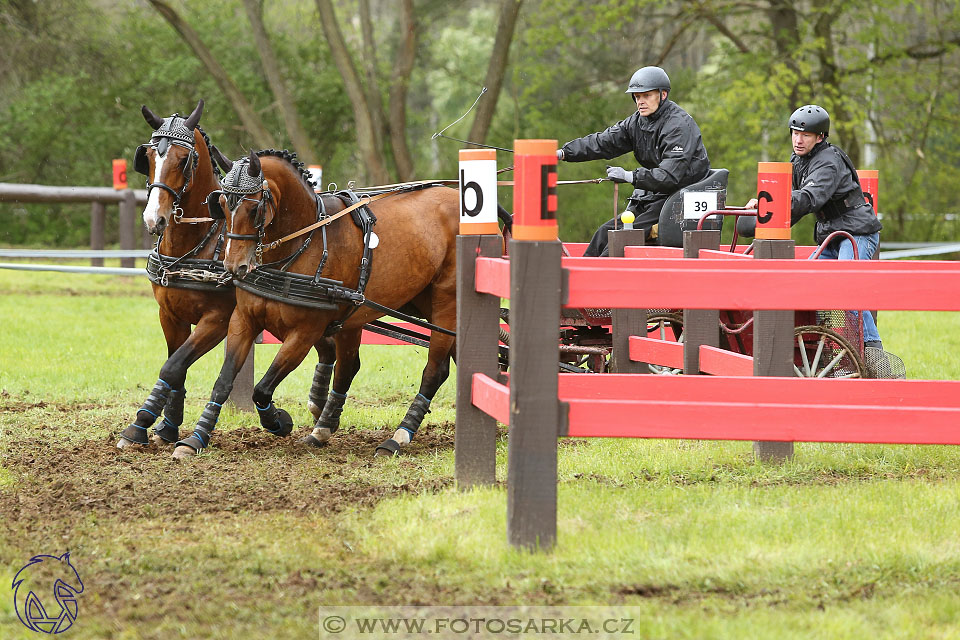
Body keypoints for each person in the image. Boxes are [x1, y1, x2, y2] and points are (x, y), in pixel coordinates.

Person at [742, 104, 884, 348]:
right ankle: (822, 342)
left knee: (845, 286)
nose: (798, 140)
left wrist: (771, 201)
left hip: (857, 233)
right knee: (807, 283)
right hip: (833, 234)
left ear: (820, 137)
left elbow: (809, 198)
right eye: (795, 133)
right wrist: (766, 223)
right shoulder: (798, 160)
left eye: (805, 135)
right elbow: (796, 207)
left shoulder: (828, 162)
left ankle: (872, 349)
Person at [557, 65, 711, 256]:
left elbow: (670, 176)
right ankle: (578, 276)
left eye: (646, 95)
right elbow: (603, 142)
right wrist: (564, 153)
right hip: (657, 195)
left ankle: (596, 280)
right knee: (603, 234)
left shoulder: (678, 125)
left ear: (663, 95)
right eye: (637, 97)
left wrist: (630, 176)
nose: (640, 102)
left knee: (620, 240)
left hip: (679, 198)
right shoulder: (636, 122)